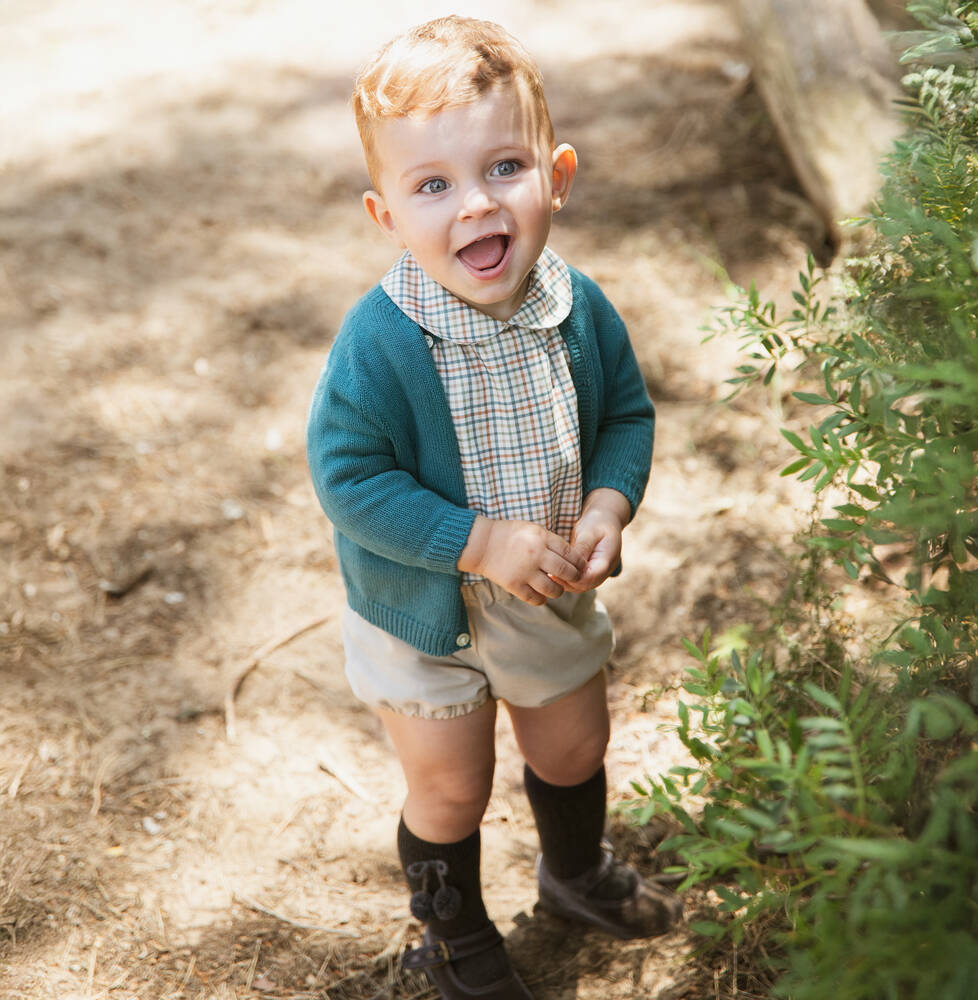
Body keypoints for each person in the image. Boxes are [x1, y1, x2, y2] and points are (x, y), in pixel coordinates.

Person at [306, 16, 682, 1000]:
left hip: (543, 587)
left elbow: (625, 416)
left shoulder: (575, 307)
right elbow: (349, 478)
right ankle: (454, 931)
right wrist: (474, 541)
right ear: (386, 214)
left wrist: (608, 504)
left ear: (557, 177)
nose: (475, 203)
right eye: (432, 185)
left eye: (504, 167)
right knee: (449, 787)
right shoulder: (381, 342)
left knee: (575, 745)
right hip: (420, 612)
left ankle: (573, 871)